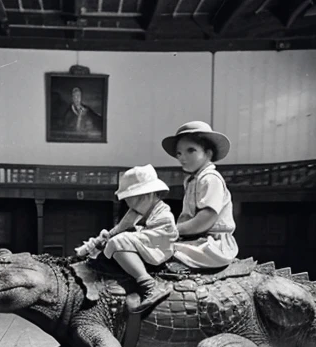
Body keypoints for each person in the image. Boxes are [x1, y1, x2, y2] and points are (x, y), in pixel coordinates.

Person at [75, 164, 178, 310]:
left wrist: (124, 236)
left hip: (159, 243)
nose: (127, 203)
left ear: (146, 195)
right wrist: (104, 239)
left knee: (119, 242)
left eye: (131, 198)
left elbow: (157, 234)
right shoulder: (137, 212)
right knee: (116, 240)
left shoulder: (164, 215)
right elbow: (119, 229)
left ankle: (148, 283)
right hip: (146, 239)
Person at [161, 121, 239, 268]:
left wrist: (175, 230)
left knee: (156, 252)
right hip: (195, 238)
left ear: (208, 154)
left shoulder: (210, 178)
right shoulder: (192, 180)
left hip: (212, 244)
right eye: (179, 153)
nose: (182, 157)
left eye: (191, 150)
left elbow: (207, 217)